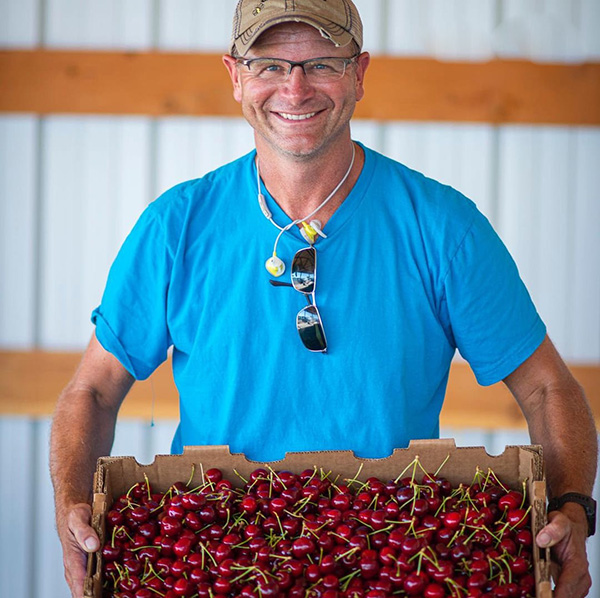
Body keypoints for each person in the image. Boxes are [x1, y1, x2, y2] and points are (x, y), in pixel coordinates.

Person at [49, 1, 597, 597]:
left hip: (392, 561)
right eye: (268, 65)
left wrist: (573, 507)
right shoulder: (176, 228)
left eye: (321, 63)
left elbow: (548, 387)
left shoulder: (443, 228)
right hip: (216, 560)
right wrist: (72, 508)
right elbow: (93, 390)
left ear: (360, 73)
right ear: (235, 76)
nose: (295, 86)